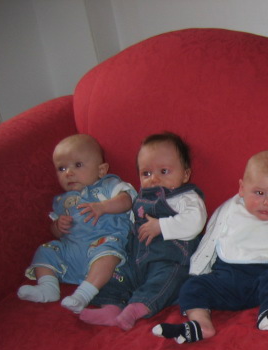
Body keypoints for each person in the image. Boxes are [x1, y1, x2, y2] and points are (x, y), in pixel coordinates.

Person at [152, 150, 268, 343]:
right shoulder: (230, 211)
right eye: (259, 193)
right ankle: (201, 323)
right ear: (242, 188)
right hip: (226, 279)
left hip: (264, 281)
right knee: (191, 286)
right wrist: (199, 269)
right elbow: (211, 239)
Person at [79, 132, 207, 330]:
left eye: (164, 171)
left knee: (169, 279)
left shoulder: (186, 198)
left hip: (169, 260)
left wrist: (161, 226)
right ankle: (111, 307)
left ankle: (135, 309)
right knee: (115, 276)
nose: (154, 179)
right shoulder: (140, 199)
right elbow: (131, 225)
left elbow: (195, 222)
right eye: (146, 173)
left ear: (185, 174)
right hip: (136, 261)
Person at [17, 133, 136, 314]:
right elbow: (56, 232)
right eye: (62, 168)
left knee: (108, 254)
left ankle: (84, 294)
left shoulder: (108, 184)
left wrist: (103, 206)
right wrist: (58, 226)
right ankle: (48, 287)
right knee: (45, 250)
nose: (68, 173)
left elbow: (127, 201)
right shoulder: (62, 201)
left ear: (101, 170)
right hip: (71, 251)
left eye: (78, 165)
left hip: (102, 243)